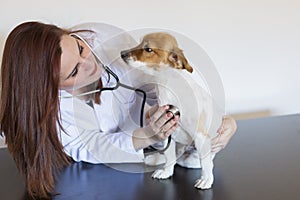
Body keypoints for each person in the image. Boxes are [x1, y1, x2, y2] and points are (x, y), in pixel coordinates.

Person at [0, 21, 236, 199]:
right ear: (49, 88)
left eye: (81, 49)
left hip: (172, 154)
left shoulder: (103, 39)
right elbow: (94, 148)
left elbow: (163, 78)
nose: (90, 64)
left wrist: (218, 118)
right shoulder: (56, 113)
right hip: (112, 182)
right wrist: (146, 136)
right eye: (74, 72)